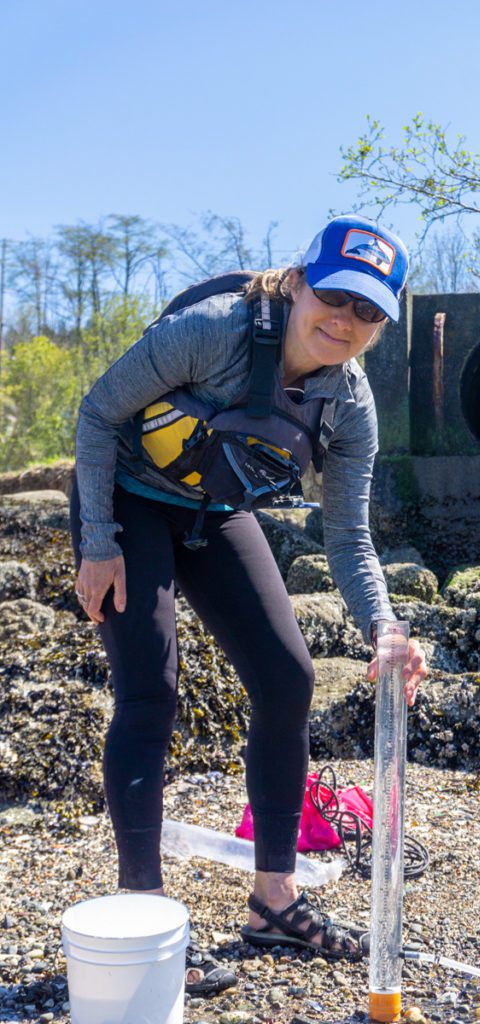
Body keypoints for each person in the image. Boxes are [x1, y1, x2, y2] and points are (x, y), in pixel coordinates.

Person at [70, 214, 428, 982]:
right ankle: (144, 915)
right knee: (149, 693)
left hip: (214, 511)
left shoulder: (350, 407)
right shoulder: (213, 331)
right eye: (335, 296)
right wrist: (97, 542)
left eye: (369, 311)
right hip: (127, 498)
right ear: (297, 282)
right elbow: (98, 412)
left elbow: (346, 537)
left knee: (288, 678)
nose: (346, 320)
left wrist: (383, 627)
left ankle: (275, 902)